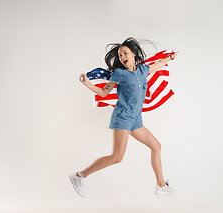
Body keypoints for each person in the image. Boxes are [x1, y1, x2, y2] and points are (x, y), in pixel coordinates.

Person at [69, 37, 179, 197]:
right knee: (117, 157)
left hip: (136, 120)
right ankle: (79, 176)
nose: (122, 57)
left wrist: (170, 57)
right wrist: (87, 84)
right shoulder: (119, 74)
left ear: (133, 54)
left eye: (125, 53)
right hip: (122, 117)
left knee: (156, 146)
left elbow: (159, 64)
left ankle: (161, 185)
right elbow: (104, 92)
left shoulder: (143, 70)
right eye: (120, 55)